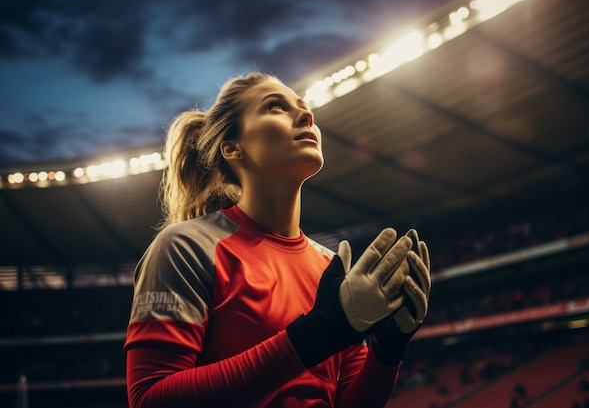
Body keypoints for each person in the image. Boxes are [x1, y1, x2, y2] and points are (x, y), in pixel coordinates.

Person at [124, 71, 432, 408]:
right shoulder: (187, 246)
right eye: (275, 106)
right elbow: (149, 399)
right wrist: (318, 332)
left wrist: (388, 351)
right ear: (233, 148)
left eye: (303, 106)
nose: (307, 115)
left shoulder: (332, 267)